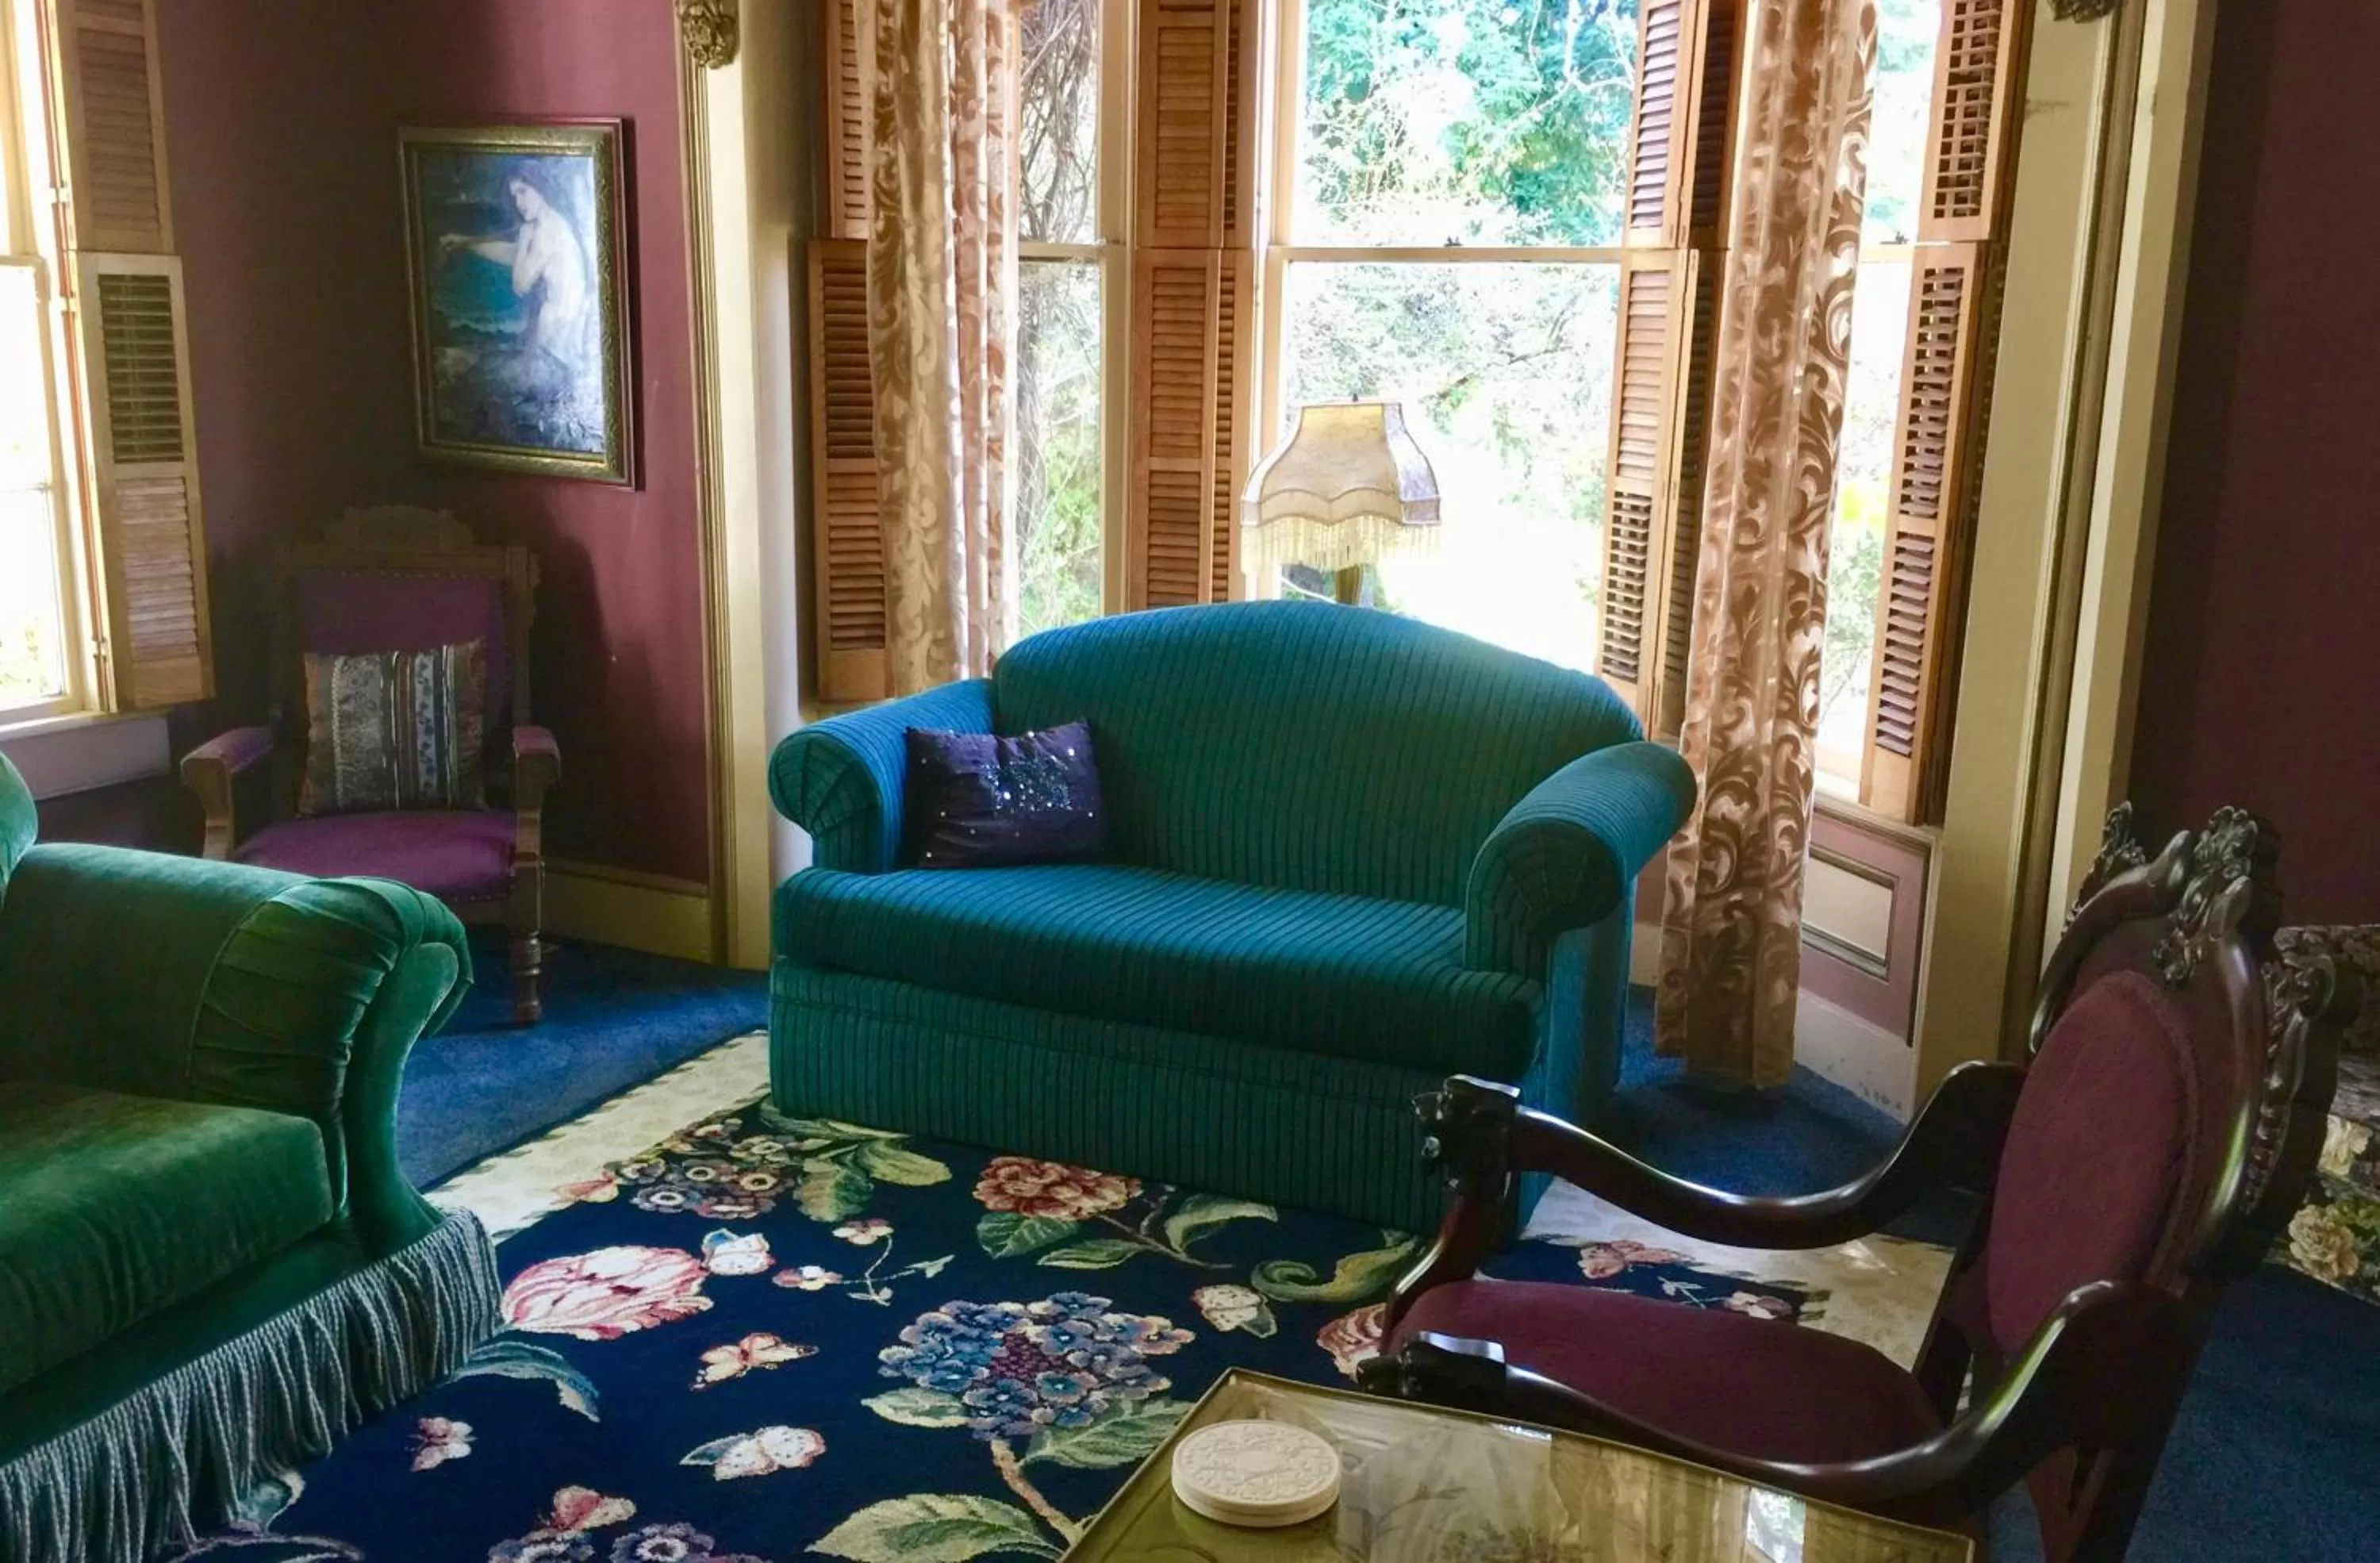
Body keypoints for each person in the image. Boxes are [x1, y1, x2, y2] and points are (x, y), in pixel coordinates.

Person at [440, 168, 593, 371]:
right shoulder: (547, 224)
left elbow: (520, 285)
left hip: (561, 330)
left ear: (540, 189)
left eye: (523, 192)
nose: (519, 203)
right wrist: (466, 243)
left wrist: (523, 241)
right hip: (561, 324)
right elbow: (512, 255)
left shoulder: (548, 230)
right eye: (514, 196)